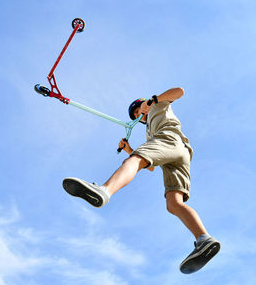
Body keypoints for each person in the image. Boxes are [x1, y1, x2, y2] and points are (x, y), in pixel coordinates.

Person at [63, 87, 220, 274]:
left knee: (135, 160)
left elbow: (180, 92)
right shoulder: (149, 133)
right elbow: (151, 166)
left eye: (138, 110)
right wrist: (130, 149)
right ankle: (204, 239)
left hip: (170, 139)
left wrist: (153, 100)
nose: (140, 115)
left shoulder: (159, 104)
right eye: (137, 115)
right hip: (179, 155)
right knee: (173, 203)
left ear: (144, 104)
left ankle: (105, 190)